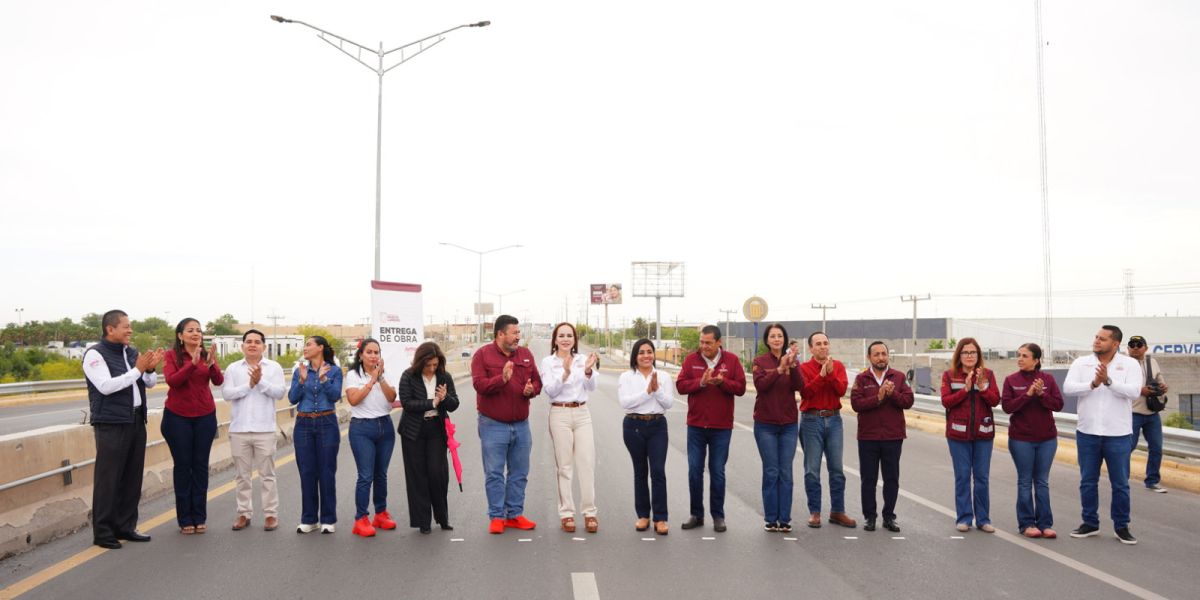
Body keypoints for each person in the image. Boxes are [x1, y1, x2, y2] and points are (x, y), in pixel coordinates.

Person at [83, 310, 163, 549]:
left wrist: (149, 370)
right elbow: (106, 386)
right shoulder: (95, 354)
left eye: (130, 326)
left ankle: (126, 527)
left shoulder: (131, 352)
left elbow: (149, 383)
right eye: (125, 326)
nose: (130, 330)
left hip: (136, 419)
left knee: (132, 477)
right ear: (110, 329)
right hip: (111, 423)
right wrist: (137, 370)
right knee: (109, 479)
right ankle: (103, 532)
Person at [1063, 325, 1142, 544]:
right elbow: (1068, 388)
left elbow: (1134, 391)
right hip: (1087, 432)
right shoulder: (1081, 363)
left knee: (1120, 484)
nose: (1097, 341)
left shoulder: (1130, 364)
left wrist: (1108, 381)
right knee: (1088, 481)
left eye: (1103, 339)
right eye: (1096, 337)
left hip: (1118, 434)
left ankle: (1121, 526)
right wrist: (1093, 384)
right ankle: (1090, 522)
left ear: (1115, 343)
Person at [472, 314, 542, 534]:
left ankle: (514, 514)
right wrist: (501, 379)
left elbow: (537, 382)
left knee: (519, 472)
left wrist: (532, 390)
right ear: (500, 334)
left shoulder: (525, 354)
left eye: (519, 332)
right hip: (493, 424)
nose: (518, 337)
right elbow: (479, 385)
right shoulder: (482, 355)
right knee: (494, 473)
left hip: (521, 425)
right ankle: (496, 516)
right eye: (514, 333)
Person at [675, 325, 746, 532]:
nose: (704, 346)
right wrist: (701, 382)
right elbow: (680, 386)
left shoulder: (731, 360)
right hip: (696, 426)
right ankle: (696, 514)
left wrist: (723, 382)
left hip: (721, 427)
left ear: (719, 343)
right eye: (702, 342)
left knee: (717, 472)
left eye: (708, 343)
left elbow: (741, 388)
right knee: (694, 471)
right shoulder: (691, 360)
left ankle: (718, 516)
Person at [161, 318, 224, 535]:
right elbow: (173, 381)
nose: (196, 333)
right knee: (183, 466)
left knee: (200, 466)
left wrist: (211, 364)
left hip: (205, 416)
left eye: (198, 330)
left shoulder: (207, 355)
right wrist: (192, 364)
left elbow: (218, 381)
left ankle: (199, 516)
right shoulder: (171, 356)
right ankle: (185, 518)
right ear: (180, 336)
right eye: (190, 330)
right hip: (177, 418)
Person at [221, 329, 286, 532]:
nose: (252, 345)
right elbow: (227, 394)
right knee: (242, 476)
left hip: (264, 429)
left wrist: (260, 382)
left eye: (257, 342)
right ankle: (244, 513)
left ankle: (270, 515)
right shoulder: (233, 368)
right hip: (239, 429)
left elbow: (280, 393)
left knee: (267, 475)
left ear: (264, 346)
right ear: (242, 346)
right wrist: (249, 385)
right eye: (248, 341)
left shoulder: (274, 367)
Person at [541, 323, 600, 534]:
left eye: (569, 336)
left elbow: (592, 387)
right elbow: (550, 391)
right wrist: (565, 373)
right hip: (560, 413)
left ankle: (589, 512)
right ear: (555, 340)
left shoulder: (583, 359)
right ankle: (566, 513)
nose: (565, 339)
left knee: (586, 463)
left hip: (582, 413)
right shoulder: (548, 362)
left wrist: (588, 370)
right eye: (561, 336)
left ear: (574, 339)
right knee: (564, 466)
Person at [1000, 343, 1063, 539]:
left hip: (1047, 439)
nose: (1020, 359)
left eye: (1025, 356)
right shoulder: (1011, 380)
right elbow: (1007, 407)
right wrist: (1027, 395)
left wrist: (1042, 394)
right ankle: (1027, 523)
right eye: (1018, 355)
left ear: (1036, 360)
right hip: (1021, 439)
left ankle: (1045, 524)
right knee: (1025, 481)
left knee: (1042, 481)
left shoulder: (1048, 379)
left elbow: (1058, 405)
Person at [849, 341, 913, 533]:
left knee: (891, 479)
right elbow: (856, 404)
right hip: (868, 437)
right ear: (869, 357)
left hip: (893, 436)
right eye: (876, 354)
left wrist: (892, 394)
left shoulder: (899, 377)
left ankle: (889, 517)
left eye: (884, 354)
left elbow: (908, 401)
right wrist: (878, 397)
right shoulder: (861, 379)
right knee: (868, 479)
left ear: (888, 356)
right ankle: (870, 517)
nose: (881, 358)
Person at [398, 341, 460, 534]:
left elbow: (454, 404)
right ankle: (423, 521)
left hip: (436, 429)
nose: (432, 368)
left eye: (435, 364)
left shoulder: (444, 376)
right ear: (420, 362)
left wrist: (445, 398)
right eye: (428, 365)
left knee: (437, 473)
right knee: (417, 476)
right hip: (413, 431)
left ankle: (442, 518)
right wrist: (432, 402)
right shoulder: (408, 376)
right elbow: (407, 403)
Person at [940, 337, 999, 533]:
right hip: (958, 435)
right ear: (959, 355)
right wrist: (965, 389)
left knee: (982, 478)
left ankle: (983, 519)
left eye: (973, 352)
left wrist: (982, 387)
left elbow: (995, 401)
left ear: (978, 355)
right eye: (965, 352)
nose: (969, 356)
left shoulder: (988, 375)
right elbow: (946, 401)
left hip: (983, 433)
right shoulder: (950, 375)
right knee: (963, 476)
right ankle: (964, 518)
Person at [798, 331, 855, 529]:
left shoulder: (837, 366)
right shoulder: (804, 368)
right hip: (811, 420)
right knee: (812, 470)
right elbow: (806, 392)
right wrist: (821, 376)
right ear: (811, 348)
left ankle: (838, 511)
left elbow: (841, 391)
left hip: (834, 419)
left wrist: (830, 374)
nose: (823, 347)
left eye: (825, 343)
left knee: (837, 469)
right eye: (818, 344)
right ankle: (815, 512)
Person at [750, 323, 803, 533]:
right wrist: (779, 369)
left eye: (780, 336)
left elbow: (800, 386)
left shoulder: (792, 360)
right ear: (767, 340)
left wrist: (793, 366)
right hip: (765, 424)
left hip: (788, 424)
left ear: (784, 339)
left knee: (786, 471)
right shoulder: (759, 362)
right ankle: (771, 518)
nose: (776, 339)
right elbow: (761, 386)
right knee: (771, 470)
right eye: (772, 336)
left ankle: (785, 518)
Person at [618, 339, 674, 535]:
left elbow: (668, 403)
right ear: (635, 356)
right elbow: (625, 403)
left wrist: (656, 390)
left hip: (657, 426)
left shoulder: (664, 376)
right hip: (633, 426)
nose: (646, 356)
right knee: (640, 471)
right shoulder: (626, 377)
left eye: (649, 352)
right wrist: (647, 392)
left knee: (658, 471)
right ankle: (643, 515)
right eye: (641, 352)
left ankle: (660, 518)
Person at [288, 336, 343, 534]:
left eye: (309, 344)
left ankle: (328, 519)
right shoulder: (299, 371)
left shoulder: (334, 370)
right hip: (303, 423)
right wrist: (301, 381)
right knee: (307, 472)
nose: (305, 348)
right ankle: (309, 519)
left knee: (326, 472)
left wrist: (323, 379)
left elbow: (335, 396)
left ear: (320, 348)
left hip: (327, 422)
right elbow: (292, 398)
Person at [344, 338, 398, 538]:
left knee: (381, 474)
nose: (373, 356)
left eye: (377, 352)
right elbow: (353, 400)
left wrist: (380, 378)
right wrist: (371, 380)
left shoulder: (385, 373)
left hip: (385, 426)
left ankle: (381, 513)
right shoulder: (353, 375)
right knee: (365, 475)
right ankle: (361, 519)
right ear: (361, 356)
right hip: (362, 428)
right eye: (369, 352)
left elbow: (391, 397)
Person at [1127, 335, 1169, 493]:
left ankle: (1152, 481)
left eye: (1139, 345)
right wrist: (1140, 391)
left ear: (1145, 347)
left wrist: (1163, 387)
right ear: (1128, 348)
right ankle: (1122, 480)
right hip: (1132, 413)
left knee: (1156, 448)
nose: (1135, 348)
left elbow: (1160, 380)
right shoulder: (1123, 364)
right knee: (1127, 447)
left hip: (1152, 413)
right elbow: (1118, 386)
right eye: (1132, 345)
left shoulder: (1152, 362)